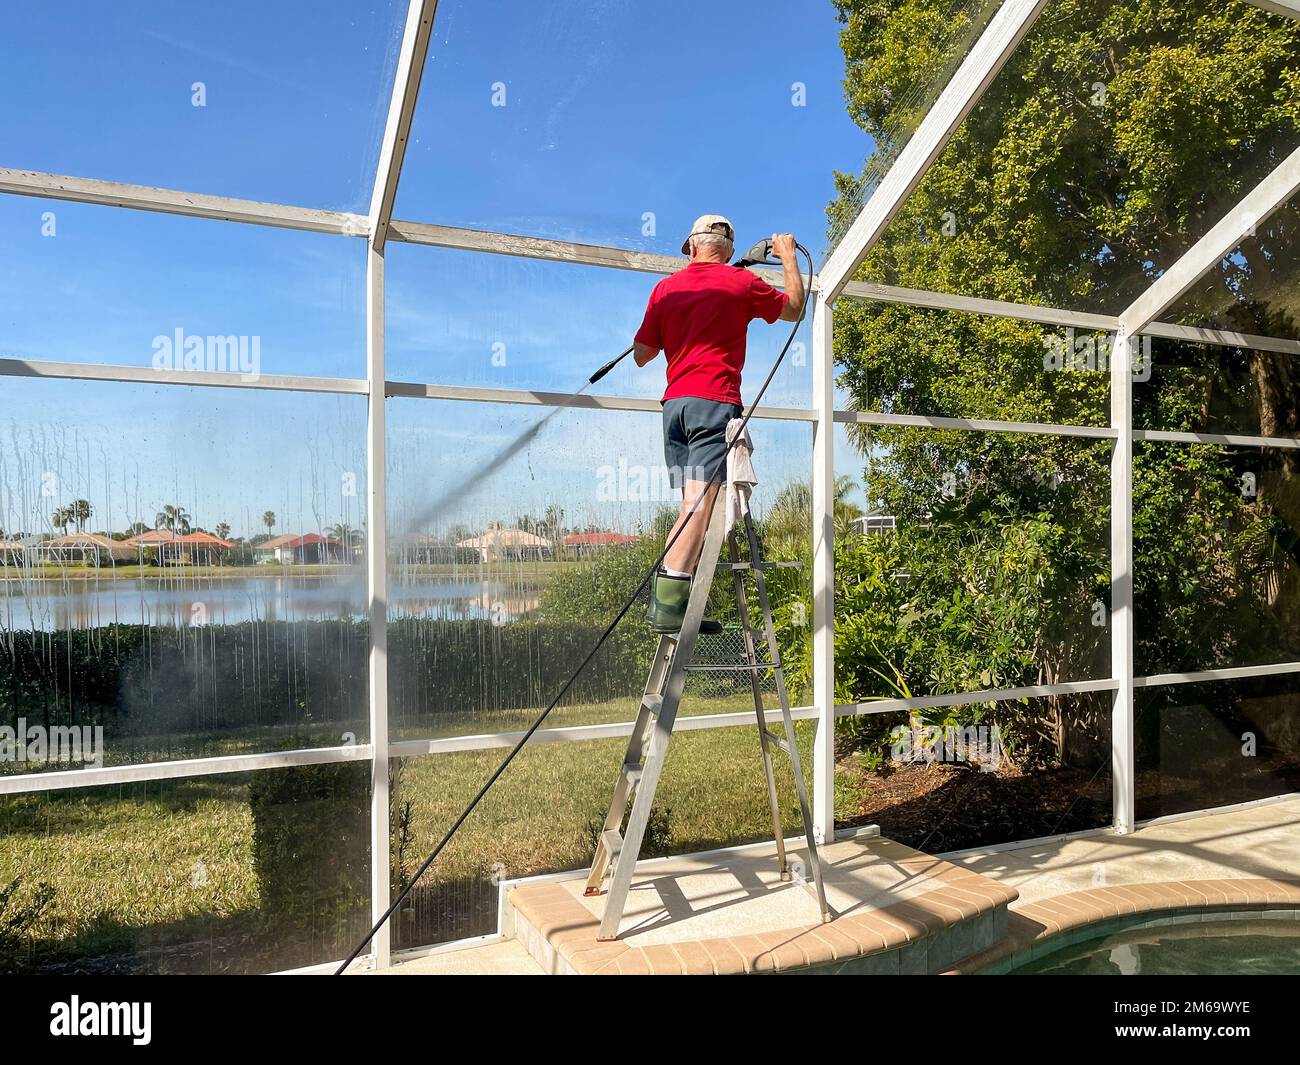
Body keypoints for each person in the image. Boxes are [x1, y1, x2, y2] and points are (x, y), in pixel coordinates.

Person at [632, 214, 805, 633]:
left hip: (676, 410)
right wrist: (785, 257)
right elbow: (795, 309)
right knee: (699, 504)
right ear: (727, 251)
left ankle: (672, 602)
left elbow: (641, 354)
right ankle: (667, 608)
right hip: (713, 405)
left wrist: (670, 327)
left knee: (691, 501)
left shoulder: (664, 289)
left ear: (691, 248)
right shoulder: (742, 284)